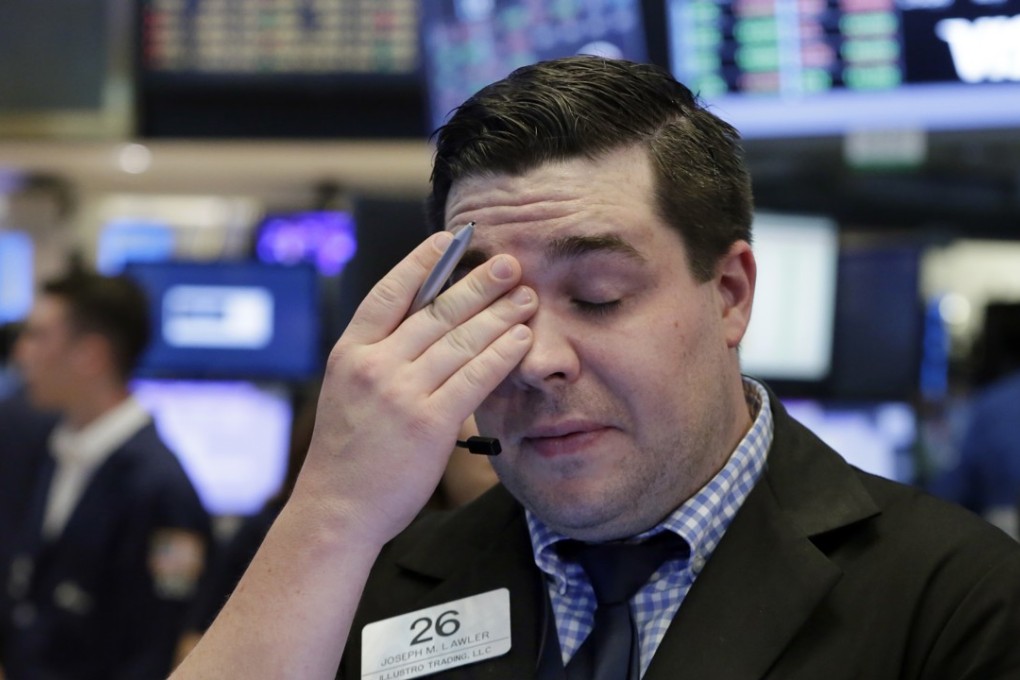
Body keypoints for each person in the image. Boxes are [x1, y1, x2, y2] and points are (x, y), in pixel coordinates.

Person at [172, 57, 1020, 680]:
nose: (536, 360)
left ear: (728, 294)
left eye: (600, 295)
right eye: (493, 308)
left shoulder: (959, 602)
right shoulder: (371, 580)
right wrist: (332, 507)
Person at [1, 269, 211, 679]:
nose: (22, 352)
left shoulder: (160, 489)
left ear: (91, 355)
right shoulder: (54, 448)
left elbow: (156, 648)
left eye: (39, 336)